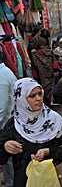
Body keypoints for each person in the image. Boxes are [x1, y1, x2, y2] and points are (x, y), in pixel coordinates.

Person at [0, 78, 62, 187]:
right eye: (32, 96)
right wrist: (5, 146)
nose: (39, 98)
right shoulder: (14, 124)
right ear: (21, 99)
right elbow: (1, 157)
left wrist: (49, 152)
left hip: (53, 180)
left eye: (40, 94)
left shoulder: (54, 120)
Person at [0, 51, 16, 187]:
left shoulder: (2, 76)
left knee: (8, 158)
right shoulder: (6, 72)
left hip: (6, 124)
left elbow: (2, 106)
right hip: (10, 121)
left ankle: (10, 183)